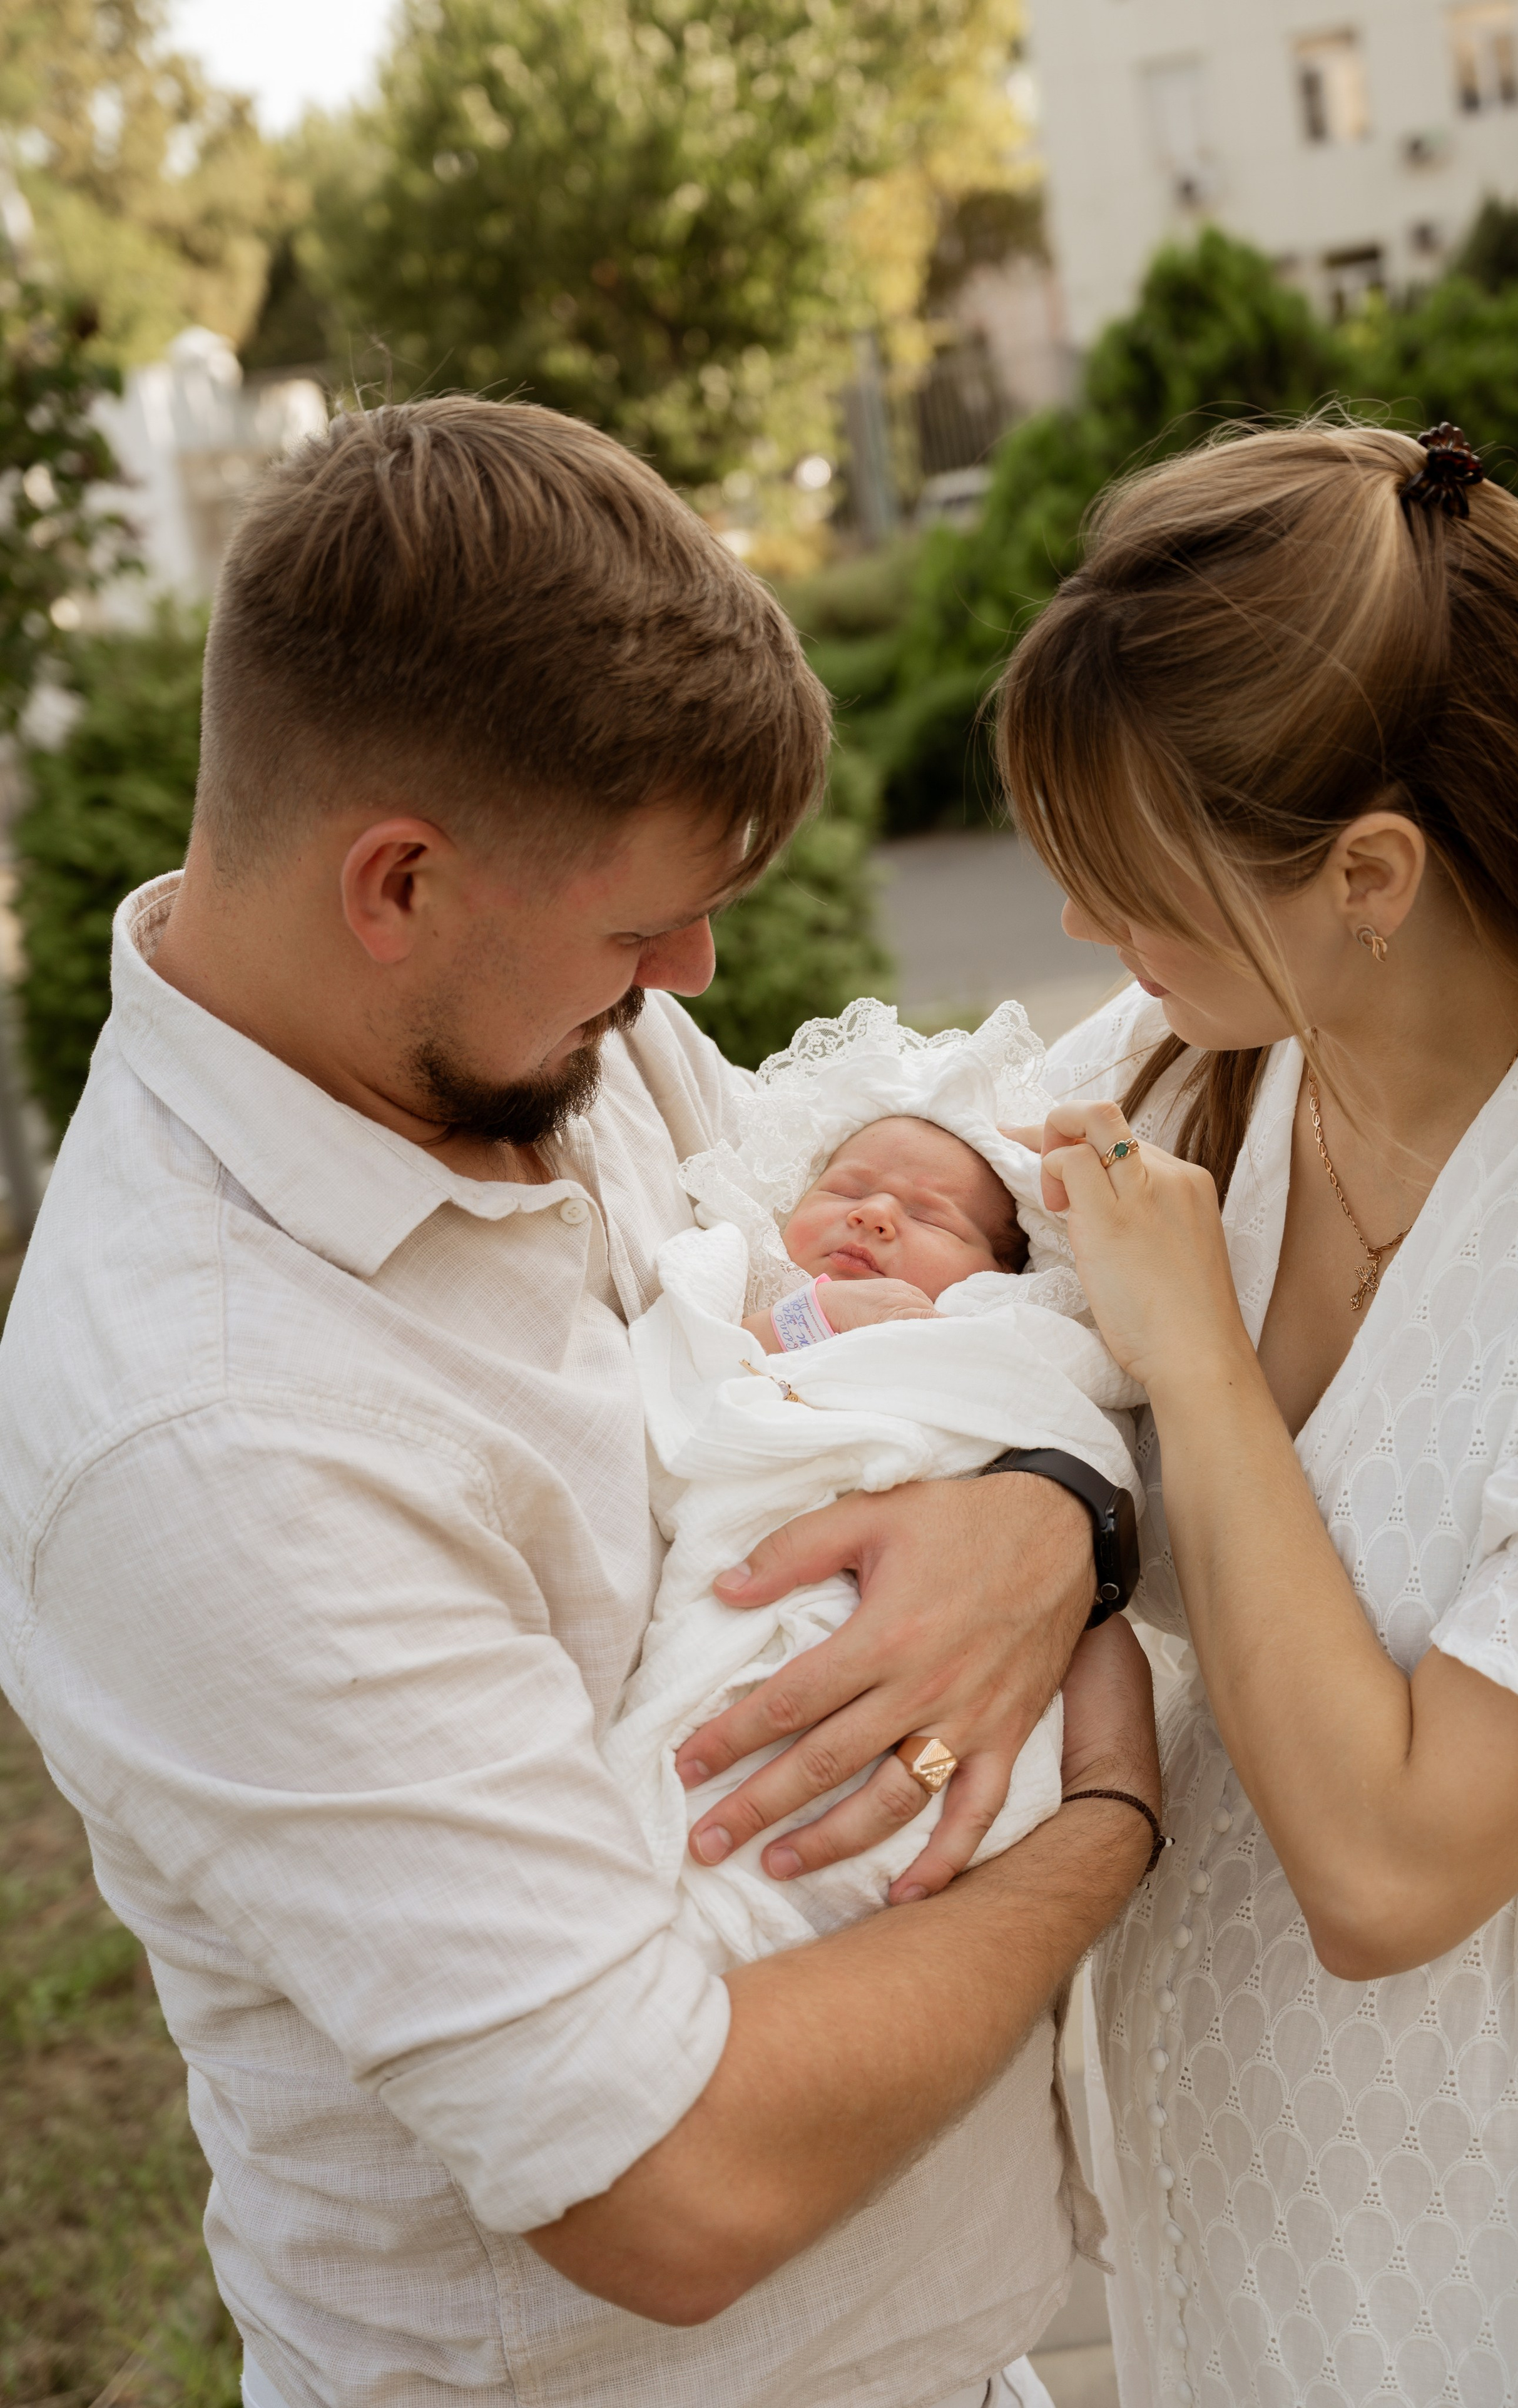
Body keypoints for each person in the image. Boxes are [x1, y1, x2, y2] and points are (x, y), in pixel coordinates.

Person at [0, 397, 1159, 2408]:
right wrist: (1110, 1825)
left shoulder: (536, 1042)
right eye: (640, 928)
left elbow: (874, 1335)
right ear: (398, 887)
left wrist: (1056, 1501)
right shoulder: (202, 1439)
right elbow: (663, 2182)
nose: (694, 976)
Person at [994, 418, 1518, 2408]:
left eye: (1133, 885)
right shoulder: (1227, 1054)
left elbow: (1395, 1868)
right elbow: (924, 1138)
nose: (1091, 934)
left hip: (1513, 2250)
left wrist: (1195, 1369)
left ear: (1368, 874)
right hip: (1229, 2229)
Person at [603, 1002, 1147, 1972]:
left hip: (952, 1623)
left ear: (1007, 1269)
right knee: (719, 1753)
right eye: (848, 1188)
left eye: (933, 1217)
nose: (876, 1213)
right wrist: (801, 1325)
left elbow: (1073, 1422)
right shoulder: (743, 1287)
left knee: (927, 1793)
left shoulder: (1005, 1327)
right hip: (760, 1579)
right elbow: (675, 1390)